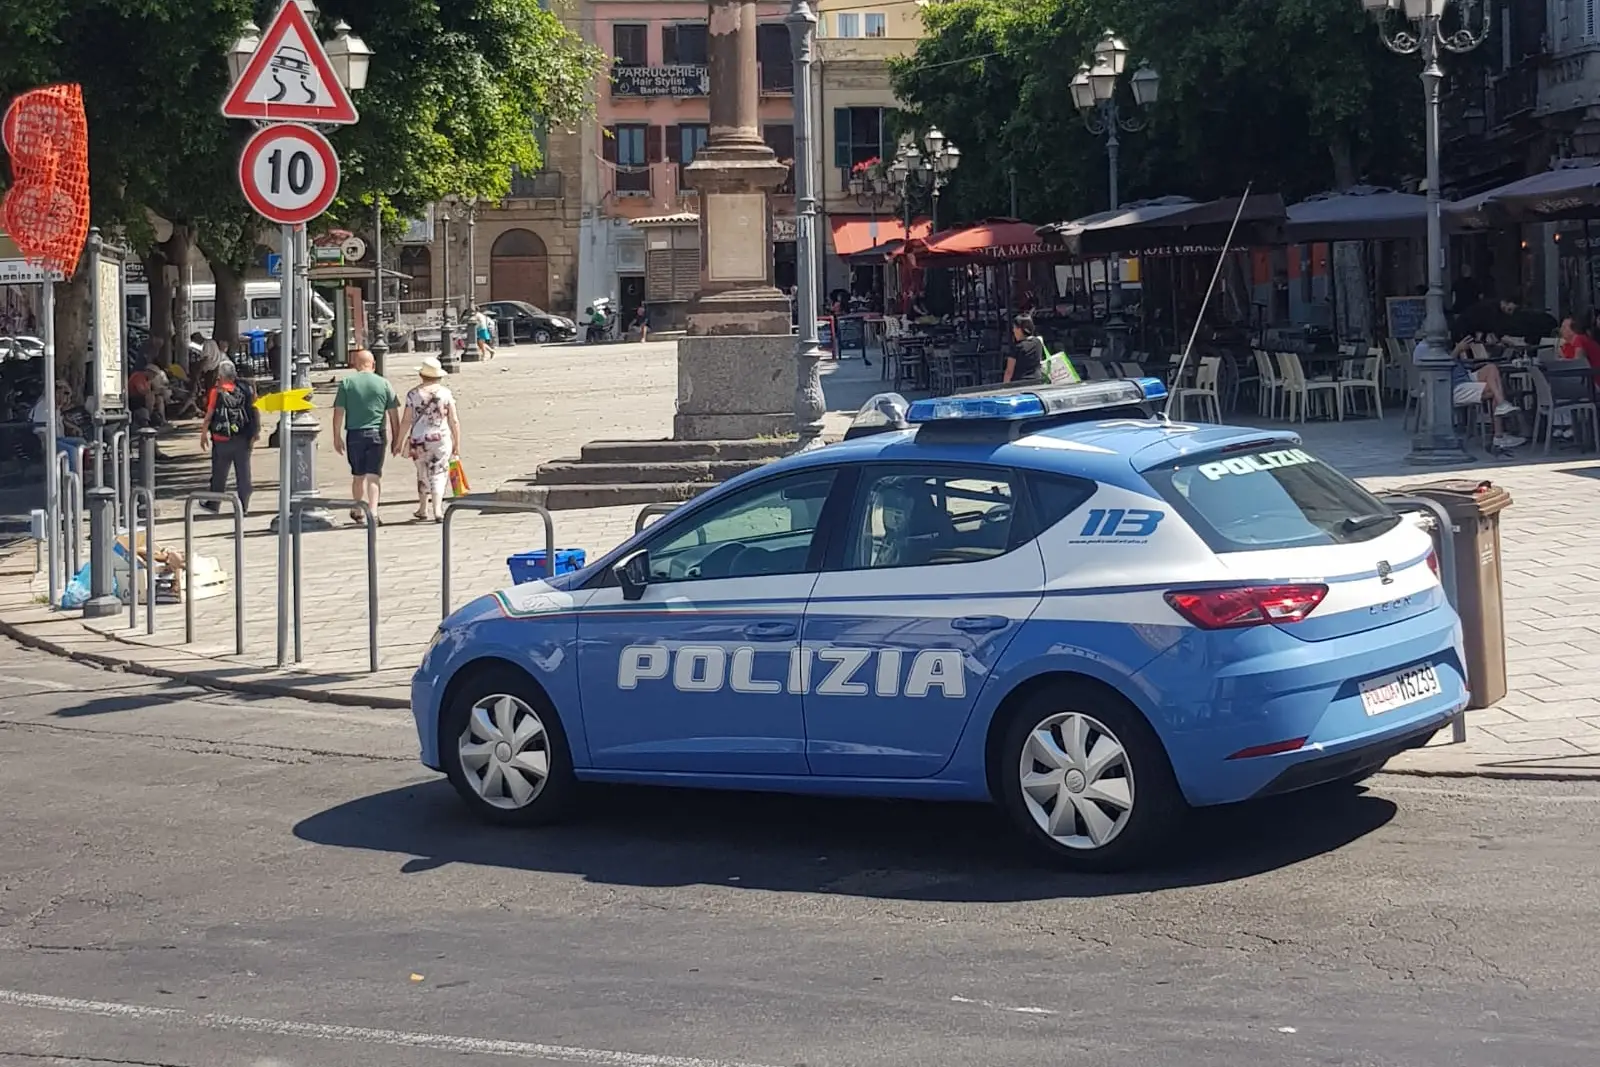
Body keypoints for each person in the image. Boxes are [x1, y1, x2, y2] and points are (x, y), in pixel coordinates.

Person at [332, 348, 401, 526]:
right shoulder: (384, 383)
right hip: (377, 433)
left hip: (354, 434)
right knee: (374, 476)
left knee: (358, 475)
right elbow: (393, 414)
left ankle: (357, 508)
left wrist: (336, 436)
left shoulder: (347, 383)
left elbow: (338, 413)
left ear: (355, 364)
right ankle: (373, 512)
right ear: (373, 364)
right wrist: (397, 439)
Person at [1420, 336, 1524, 451]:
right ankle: (1499, 434)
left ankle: (1501, 405)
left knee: (1491, 368)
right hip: (1453, 387)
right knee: (1495, 388)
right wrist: (1457, 350)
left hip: (1465, 377)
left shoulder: (1440, 344)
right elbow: (1439, 369)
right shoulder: (1423, 349)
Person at [394, 357, 461, 523]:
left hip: (419, 439)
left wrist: (399, 441)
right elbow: (453, 420)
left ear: (421, 375)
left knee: (422, 472)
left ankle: (423, 508)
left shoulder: (413, 394)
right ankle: (437, 509)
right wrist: (457, 442)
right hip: (441, 437)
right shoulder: (445, 393)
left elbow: (406, 420)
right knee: (439, 472)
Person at [199, 359, 259, 513]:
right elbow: (254, 411)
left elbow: (210, 414)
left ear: (221, 375)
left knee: (219, 474)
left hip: (221, 439)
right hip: (242, 438)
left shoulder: (216, 391)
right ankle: (243, 507)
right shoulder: (246, 390)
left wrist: (204, 433)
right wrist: (255, 433)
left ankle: (214, 504)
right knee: (243, 474)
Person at [31, 380, 87, 474]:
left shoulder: (55, 406)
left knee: (81, 442)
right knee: (71, 450)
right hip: (48, 440)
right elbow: (40, 431)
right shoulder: (44, 406)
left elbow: (63, 417)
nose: (66, 396)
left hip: (58, 438)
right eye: (64, 393)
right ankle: (74, 478)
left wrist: (76, 428)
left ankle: (82, 472)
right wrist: (47, 447)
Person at [1004, 315, 1046, 385]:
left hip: (1020, 385)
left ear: (1020, 329)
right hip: (1037, 382)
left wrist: (1004, 388)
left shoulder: (1016, 348)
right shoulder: (1038, 342)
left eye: (1014, 327)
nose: (1013, 330)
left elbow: (1009, 372)